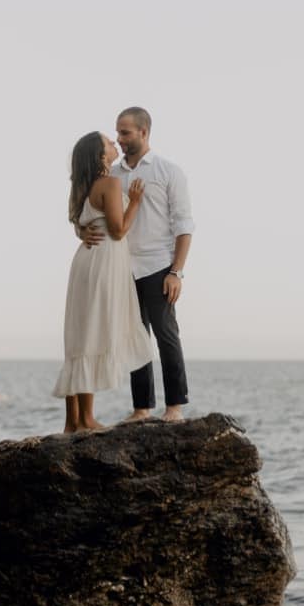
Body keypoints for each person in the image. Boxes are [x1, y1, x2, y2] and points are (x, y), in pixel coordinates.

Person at [80, 106, 195, 421]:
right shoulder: (111, 175)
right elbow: (89, 207)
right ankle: (141, 408)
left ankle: (174, 407)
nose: (119, 138)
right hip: (119, 269)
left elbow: (184, 225)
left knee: (166, 335)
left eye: (125, 132)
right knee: (134, 337)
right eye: (116, 132)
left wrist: (176, 272)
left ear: (144, 132)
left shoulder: (168, 171)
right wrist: (81, 230)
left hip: (158, 266)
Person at [54, 132, 155, 431]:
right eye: (109, 142)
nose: (114, 142)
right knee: (93, 334)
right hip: (104, 262)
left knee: (80, 337)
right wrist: (134, 202)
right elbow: (119, 230)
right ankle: (86, 419)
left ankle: (72, 421)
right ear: (100, 155)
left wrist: (81, 232)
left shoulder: (81, 186)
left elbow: (80, 222)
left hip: (86, 262)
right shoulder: (110, 183)